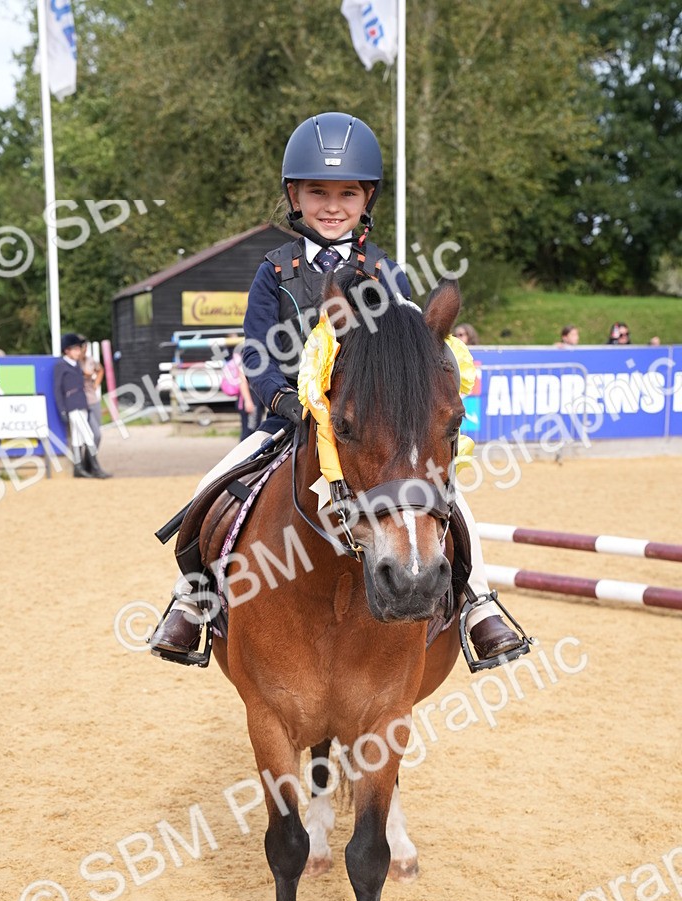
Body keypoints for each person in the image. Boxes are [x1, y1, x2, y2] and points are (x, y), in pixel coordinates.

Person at [150, 112, 525, 669]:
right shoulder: (274, 271)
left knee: (449, 501)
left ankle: (477, 603)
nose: (332, 205)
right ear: (294, 196)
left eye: (346, 192)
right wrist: (289, 406)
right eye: (317, 191)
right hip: (289, 422)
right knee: (211, 489)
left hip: (371, 429)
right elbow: (257, 356)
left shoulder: (385, 271)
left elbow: (411, 351)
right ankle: (195, 599)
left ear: (366, 197)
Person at [53, 333, 111, 479]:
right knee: (89, 435)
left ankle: (78, 468)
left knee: (78, 438)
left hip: (82, 403)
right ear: (67, 350)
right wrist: (62, 409)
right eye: (76, 349)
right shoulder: (61, 366)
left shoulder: (77, 365)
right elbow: (58, 389)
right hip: (72, 405)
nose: (79, 352)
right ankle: (95, 467)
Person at [80, 340, 105, 461]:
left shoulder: (90, 360)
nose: (84, 349)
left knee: (97, 433)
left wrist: (96, 384)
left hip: (92, 399)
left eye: (85, 346)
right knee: (85, 434)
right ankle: (86, 462)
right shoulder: (74, 363)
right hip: (80, 402)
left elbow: (100, 370)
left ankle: (90, 461)